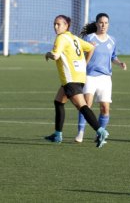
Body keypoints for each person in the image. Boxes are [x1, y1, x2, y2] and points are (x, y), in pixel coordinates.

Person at [44, 15, 109, 148]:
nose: (56, 27)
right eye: (54, 24)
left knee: (82, 106)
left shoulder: (61, 38)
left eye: (59, 24)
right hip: (79, 76)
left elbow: (56, 55)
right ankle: (57, 134)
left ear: (66, 25)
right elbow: (91, 47)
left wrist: (48, 54)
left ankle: (101, 131)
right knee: (58, 101)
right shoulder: (73, 37)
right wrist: (84, 63)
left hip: (70, 78)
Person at [75, 13, 127, 143]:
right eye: (101, 22)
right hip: (90, 76)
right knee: (87, 105)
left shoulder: (112, 40)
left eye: (106, 23)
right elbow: (80, 54)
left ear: (108, 24)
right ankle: (80, 133)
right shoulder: (89, 38)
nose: (103, 25)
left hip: (105, 78)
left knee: (105, 108)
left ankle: (99, 134)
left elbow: (113, 56)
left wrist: (119, 63)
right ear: (97, 23)